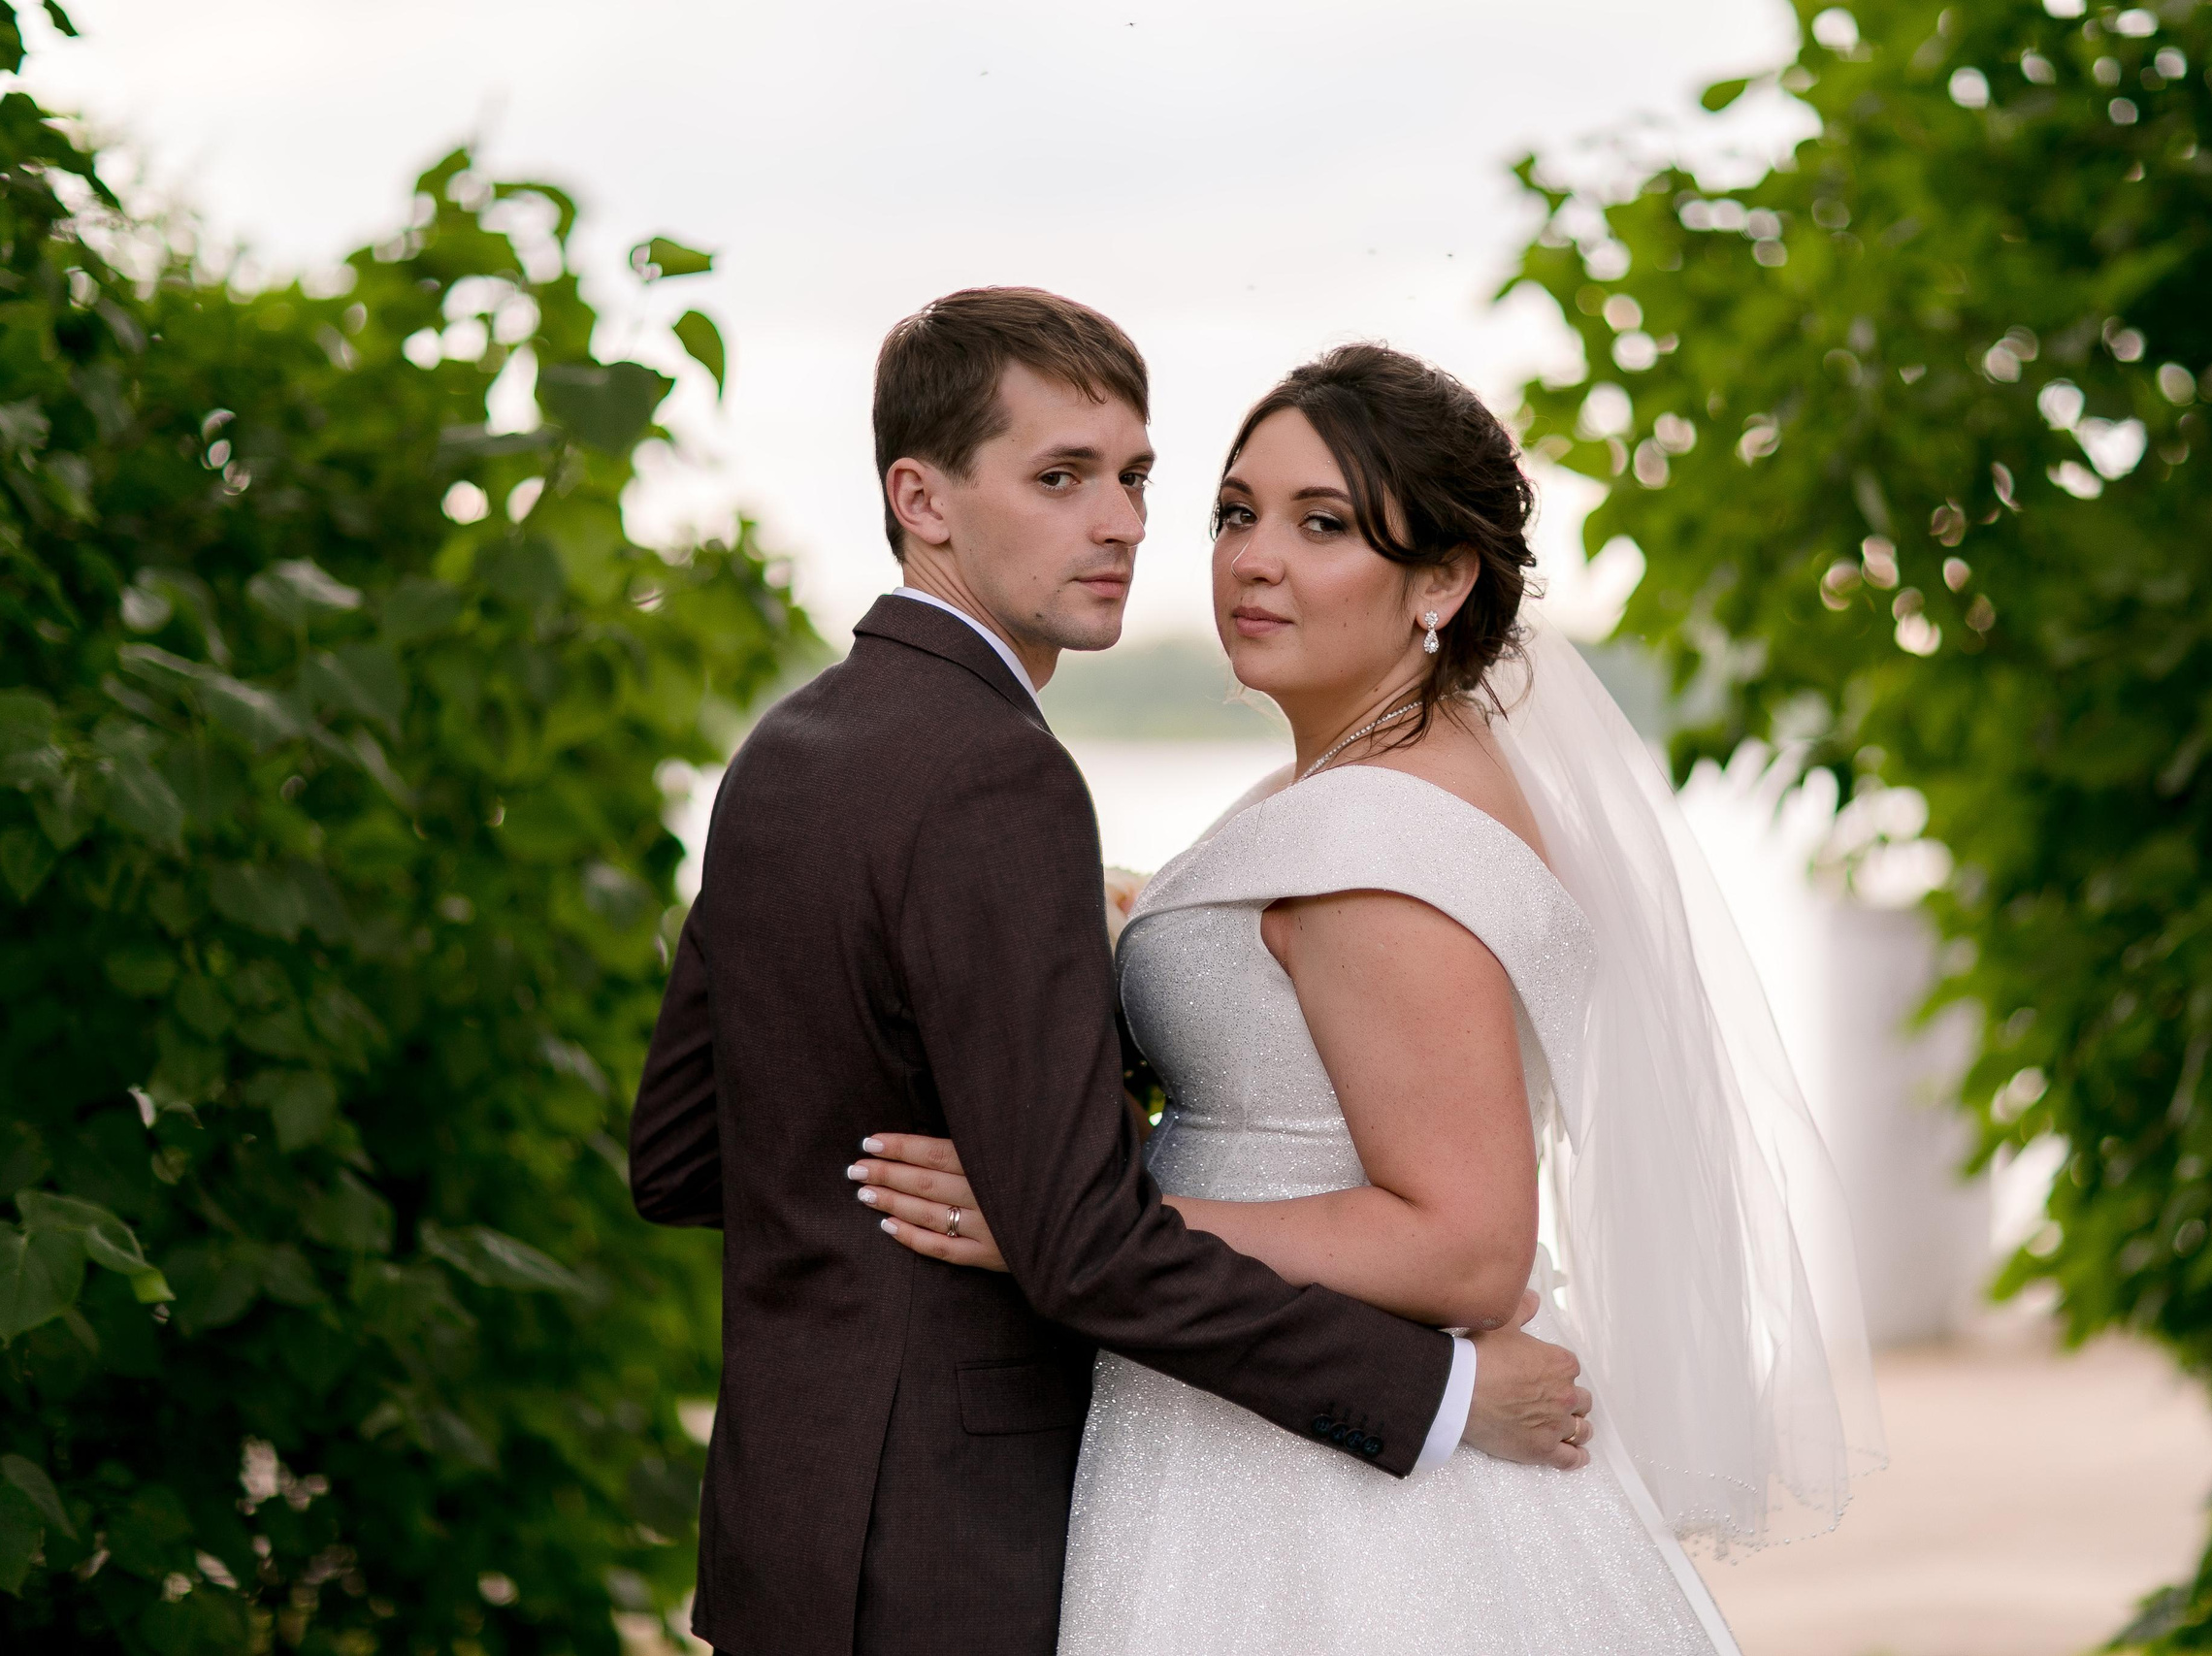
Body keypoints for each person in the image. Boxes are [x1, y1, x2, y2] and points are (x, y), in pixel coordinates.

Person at [855, 343, 1887, 1652]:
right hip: (1261, 1412)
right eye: (1236, 513)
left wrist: (1077, 1223)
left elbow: (1465, 1247)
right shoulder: (1375, 786)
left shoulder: (1376, 846)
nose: (1253, 560)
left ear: (1442, 582)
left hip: (1321, 1489)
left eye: (1324, 524)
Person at [627, 292, 1598, 1656]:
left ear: (1441, 580)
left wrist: (1007, 1115)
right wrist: (1438, 1398)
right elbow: (1080, 1244)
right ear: (925, 497)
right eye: (1063, 478)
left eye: (1137, 479)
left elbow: (677, 1156)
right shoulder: (999, 781)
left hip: (788, 1539)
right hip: (958, 1549)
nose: (1124, 523)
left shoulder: (785, 752)